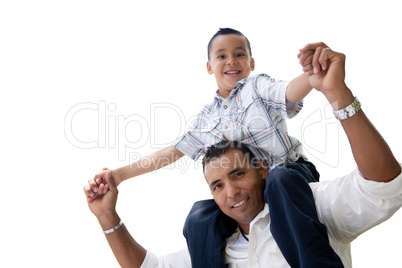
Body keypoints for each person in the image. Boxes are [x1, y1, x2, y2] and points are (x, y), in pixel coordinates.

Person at [84, 43, 402, 267]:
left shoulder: (309, 204)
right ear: (209, 66)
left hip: (291, 178)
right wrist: (112, 196)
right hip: (260, 189)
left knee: (281, 181)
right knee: (199, 216)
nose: (231, 191)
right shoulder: (207, 119)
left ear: (251, 63)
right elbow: (171, 153)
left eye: (237, 175)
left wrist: (329, 86)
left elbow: (383, 187)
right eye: (217, 185)